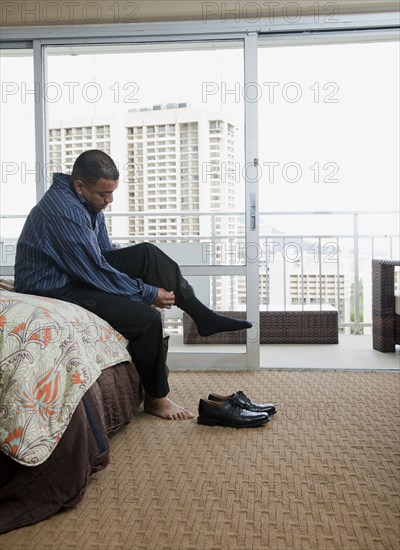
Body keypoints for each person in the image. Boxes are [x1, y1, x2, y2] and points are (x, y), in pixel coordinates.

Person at [14, 150, 252, 421]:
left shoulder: (87, 202)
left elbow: (104, 253)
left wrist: (144, 282)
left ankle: (201, 315)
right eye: (103, 194)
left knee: (147, 255)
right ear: (79, 186)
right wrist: (147, 292)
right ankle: (156, 399)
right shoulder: (63, 210)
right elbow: (94, 270)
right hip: (54, 288)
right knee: (147, 318)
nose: (109, 200)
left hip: (75, 274)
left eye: (112, 192)